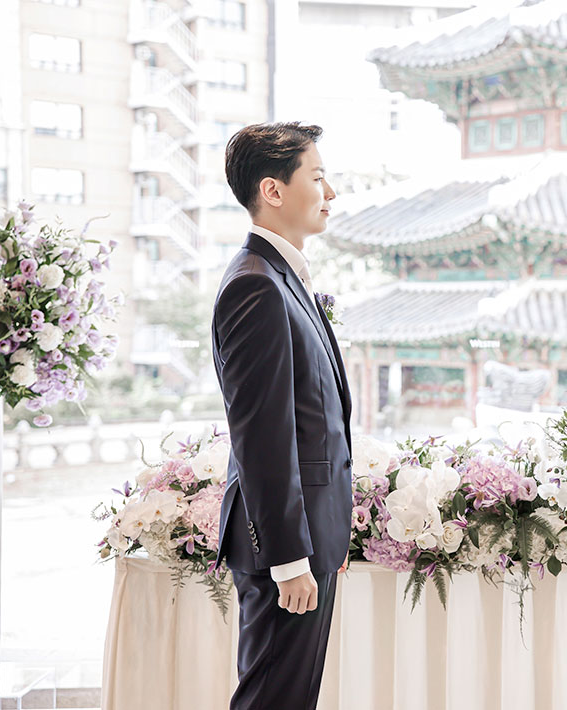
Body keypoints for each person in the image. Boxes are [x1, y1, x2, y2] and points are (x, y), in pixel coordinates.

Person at [211, 121, 352, 710]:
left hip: (310, 538)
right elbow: (262, 436)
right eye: (317, 177)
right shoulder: (257, 286)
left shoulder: (281, 277)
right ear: (273, 190)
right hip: (286, 551)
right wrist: (289, 558)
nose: (330, 192)